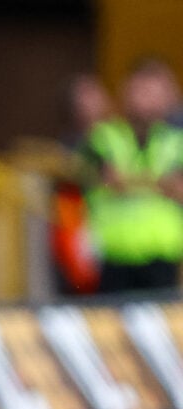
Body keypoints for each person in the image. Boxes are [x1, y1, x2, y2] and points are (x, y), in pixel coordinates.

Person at [79, 58, 183, 294]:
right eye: (143, 91)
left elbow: (178, 189)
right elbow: (105, 179)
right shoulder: (104, 137)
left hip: (162, 255)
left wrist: (128, 181)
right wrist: (159, 184)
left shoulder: (176, 141)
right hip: (115, 256)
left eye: (156, 93)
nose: (148, 101)